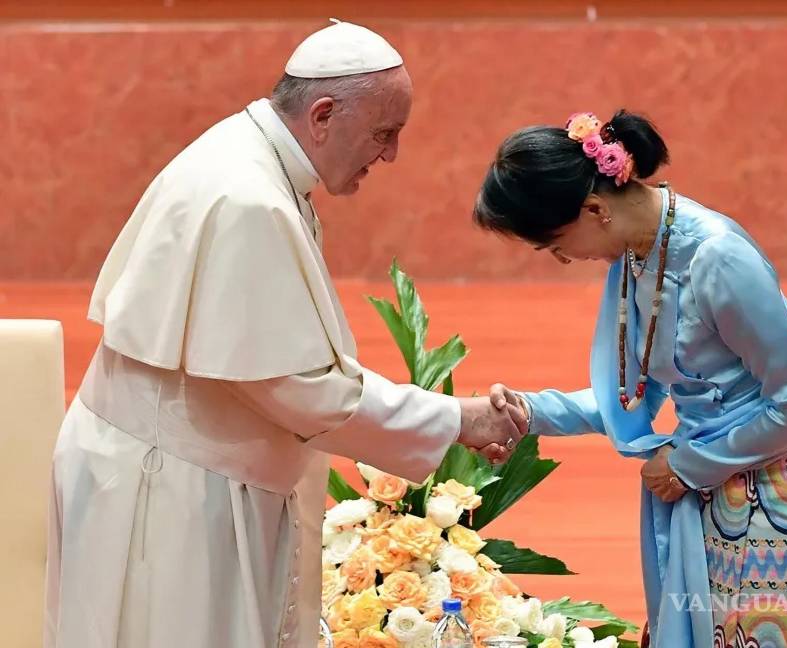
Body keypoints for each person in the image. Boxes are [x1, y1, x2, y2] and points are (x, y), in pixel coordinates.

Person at [43, 20, 526, 648]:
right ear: (323, 115)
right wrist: (457, 418)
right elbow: (296, 386)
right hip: (167, 490)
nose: (390, 155)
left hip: (184, 469)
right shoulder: (247, 197)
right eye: (384, 133)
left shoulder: (253, 161)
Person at [477, 110, 787, 648]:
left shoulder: (717, 257)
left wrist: (687, 465)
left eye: (556, 245)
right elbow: (632, 396)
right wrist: (526, 412)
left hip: (779, 501)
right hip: (708, 496)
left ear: (594, 209)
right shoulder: (637, 254)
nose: (563, 260)